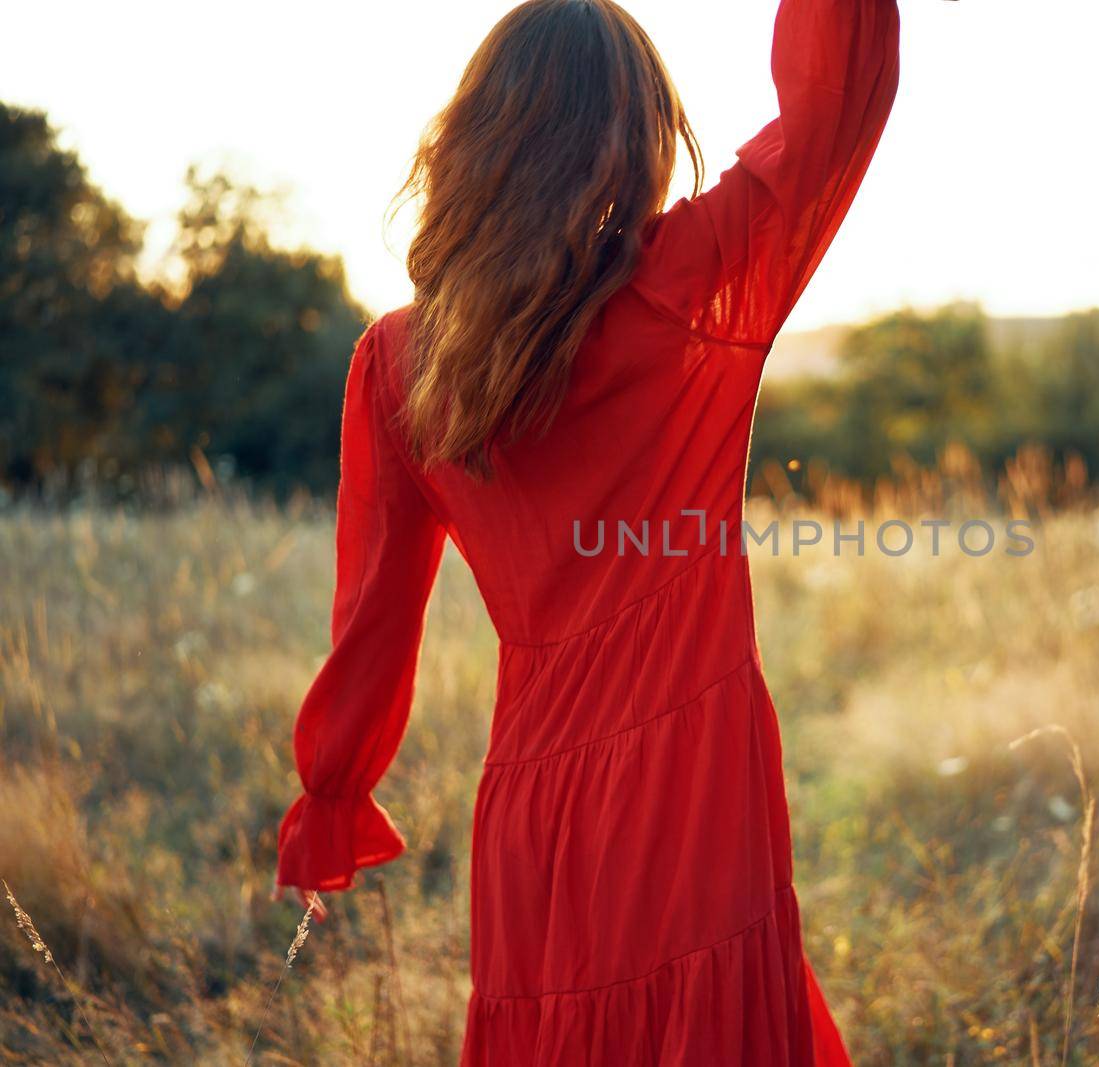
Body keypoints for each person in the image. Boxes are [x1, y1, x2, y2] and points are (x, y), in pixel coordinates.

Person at [272, 0, 902, 1061]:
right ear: (639, 136)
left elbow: (372, 612)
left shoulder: (398, 361)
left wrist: (335, 785)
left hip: (535, 800)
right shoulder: (693, 278)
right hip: (692, 780)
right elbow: (834, 110)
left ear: (474, 136)